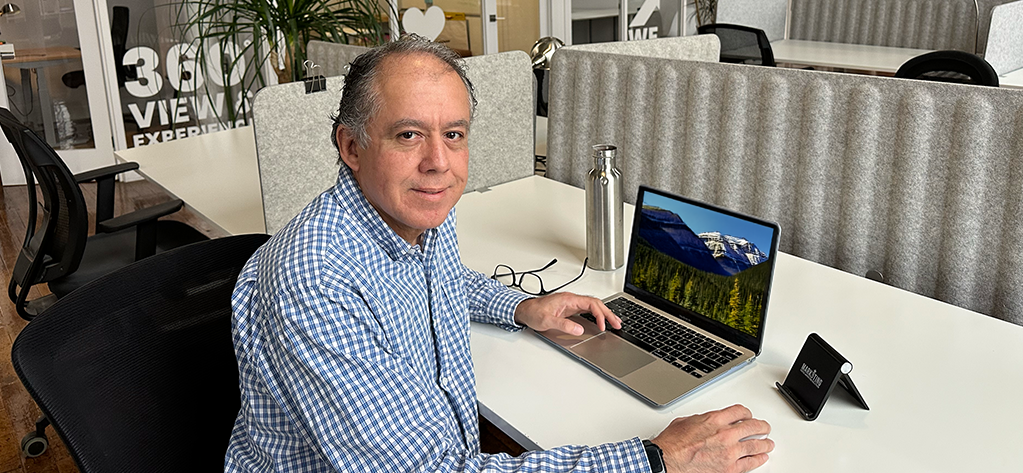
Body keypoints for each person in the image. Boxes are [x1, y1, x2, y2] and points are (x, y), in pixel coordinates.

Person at [226, 34, 774, 473]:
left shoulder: (414, 213)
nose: (439, 162)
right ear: (351, 146)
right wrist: (656, 460)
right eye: (409, 135)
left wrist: (519, 307)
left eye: (455, 134)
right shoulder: (315, 277)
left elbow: (436, 280)